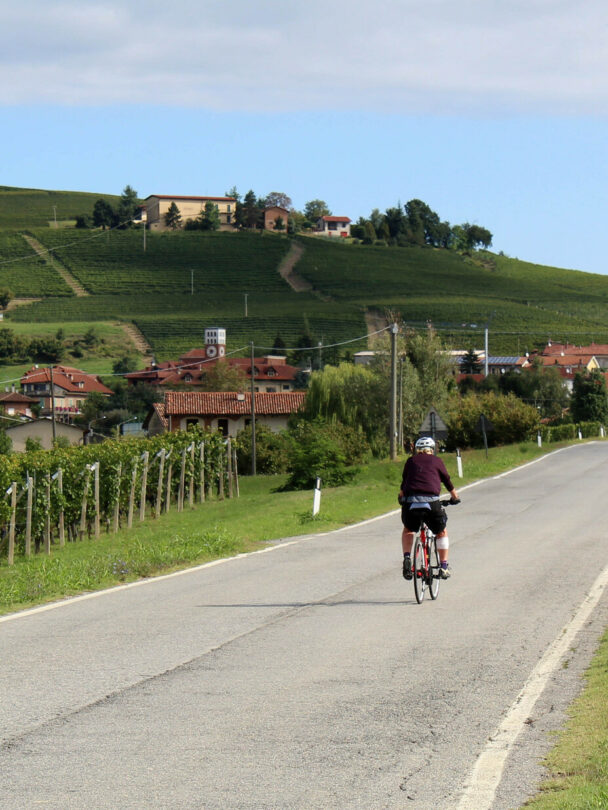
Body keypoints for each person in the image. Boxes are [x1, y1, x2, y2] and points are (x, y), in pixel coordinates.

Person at [398, 436, 459, 580]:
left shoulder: (410, 461)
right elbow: (447, 480)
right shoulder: (437, 461)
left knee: (408, 530)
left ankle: (407, 558)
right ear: (432, 449)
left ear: (417, 450)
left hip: (410, 503)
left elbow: (404, 483)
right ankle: (444, 567)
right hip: (431, 503)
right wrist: (455, 497)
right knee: (441, 532)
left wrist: (401, 497)